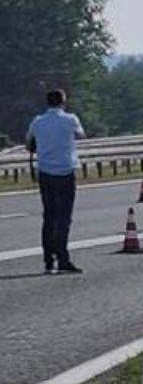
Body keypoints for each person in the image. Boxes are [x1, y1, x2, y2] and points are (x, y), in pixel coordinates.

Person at [25, 89, 86, 273]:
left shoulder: (37, 121)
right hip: (66, 171)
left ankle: (48, 260)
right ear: (63, 102)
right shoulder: (70, 119)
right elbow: (81, 135)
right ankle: (63, 258)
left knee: (49, 216)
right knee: (64, 218)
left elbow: (29, 143)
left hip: (45, 172)